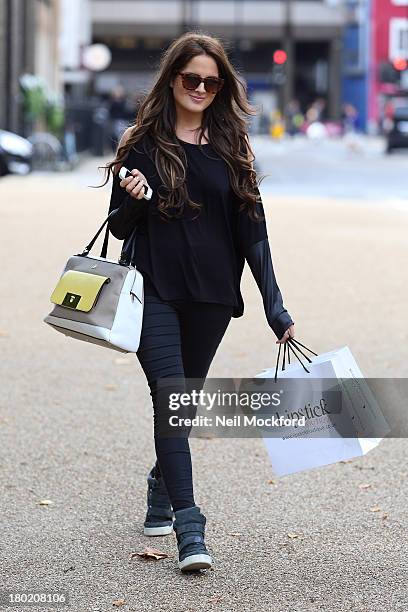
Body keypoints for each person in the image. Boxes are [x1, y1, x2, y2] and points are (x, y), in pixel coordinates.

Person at [100, 32, 295, 573]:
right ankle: (190, 526)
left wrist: (274, 307)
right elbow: (118, 226)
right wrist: (135, 200)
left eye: (212, 81)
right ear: (173, 79)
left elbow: (254, 233)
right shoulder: (142, 144)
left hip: (211, 298)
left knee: (180, 408)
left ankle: (161, 485)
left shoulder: (233, 149)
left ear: (223, 86)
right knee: (171, 398)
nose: (202, 88)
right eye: (192, 79)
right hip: (155, 290)